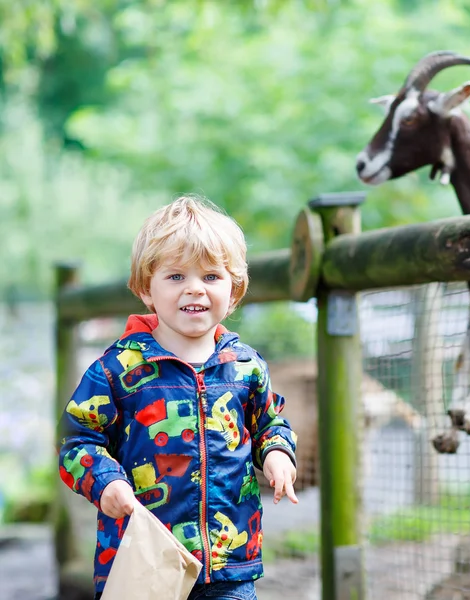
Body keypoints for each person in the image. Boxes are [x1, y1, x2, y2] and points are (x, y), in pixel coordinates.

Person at [58, 195, 298, 600]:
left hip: (230, 564)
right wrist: (105, 481)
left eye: (210, 277)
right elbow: (77, 441)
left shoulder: (245, 365)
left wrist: (276, 452)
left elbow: (269, 422)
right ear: (146, 289)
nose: (194, 289)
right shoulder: (119, 369)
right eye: (175, 277)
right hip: (144, 562)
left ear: (234, 290)